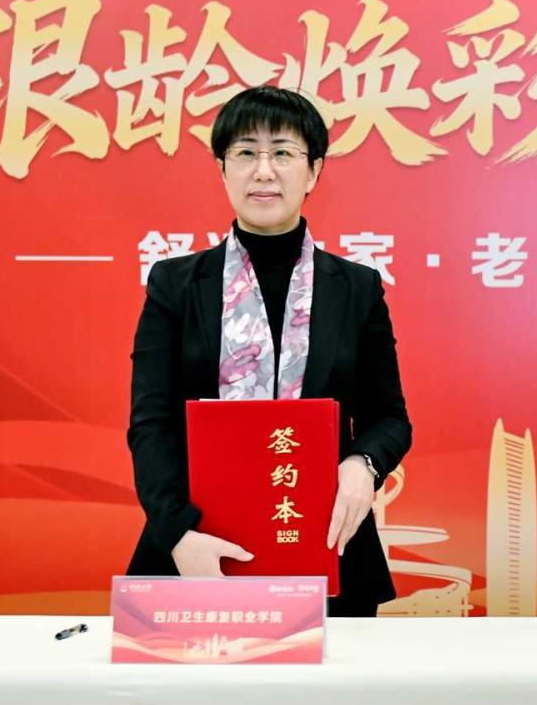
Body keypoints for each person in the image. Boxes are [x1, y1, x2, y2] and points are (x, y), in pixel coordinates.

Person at [125, 86, 409, 617]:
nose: (263, 171)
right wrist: (178, 533)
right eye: (245, 153)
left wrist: (363, 463)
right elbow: (151, 424)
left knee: (329, 676)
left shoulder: (356, 288)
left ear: (314, 170)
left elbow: (389, 418)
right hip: (196, 548)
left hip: (326, 544)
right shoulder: (176, 285)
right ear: (222, 169)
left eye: (282, 152)